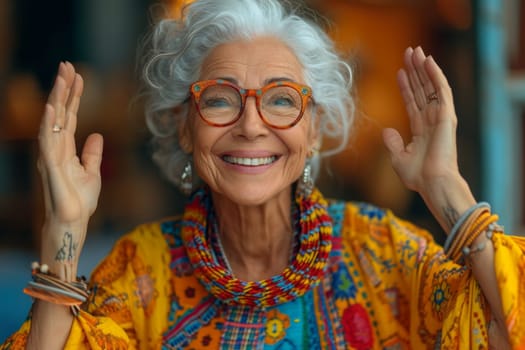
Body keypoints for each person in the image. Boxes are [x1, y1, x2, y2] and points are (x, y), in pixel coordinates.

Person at [2, 0, 525, 349]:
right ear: (185, 129)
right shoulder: (142, 270)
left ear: (314, 129)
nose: (251, 126)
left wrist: (448, 193)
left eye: (280, 100)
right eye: (221, 100)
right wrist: (63, 230)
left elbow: (508, 330)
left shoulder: (383, 251)